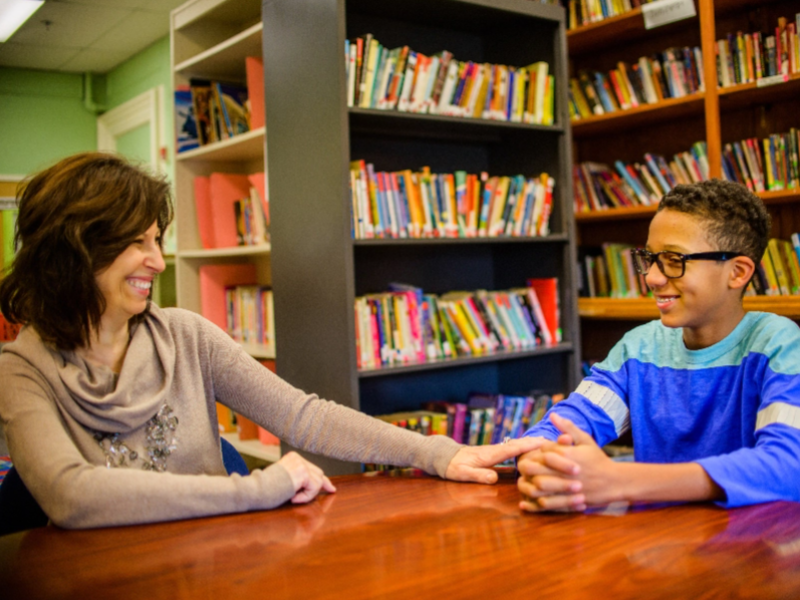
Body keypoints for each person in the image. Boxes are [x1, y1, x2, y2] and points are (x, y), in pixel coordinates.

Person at [0, 152, 538, 529]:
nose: (158, 262)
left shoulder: (185, 335)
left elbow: (304, 415)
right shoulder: (20, 369)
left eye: (157, 240)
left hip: (213, 563)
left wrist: (438, 453)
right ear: (73, 250)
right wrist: (259, 488)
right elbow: (71, 495)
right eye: (134, 243)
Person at [517, 179, 800, 512]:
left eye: (673, 259)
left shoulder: (780, 345)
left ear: (737, 272)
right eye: (649, 258)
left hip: (750, 549)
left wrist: (622, 480)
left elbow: (788, 466)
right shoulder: (639, 348)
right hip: (657, 547)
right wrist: (543, 459)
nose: (651, 277)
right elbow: (561, 425)